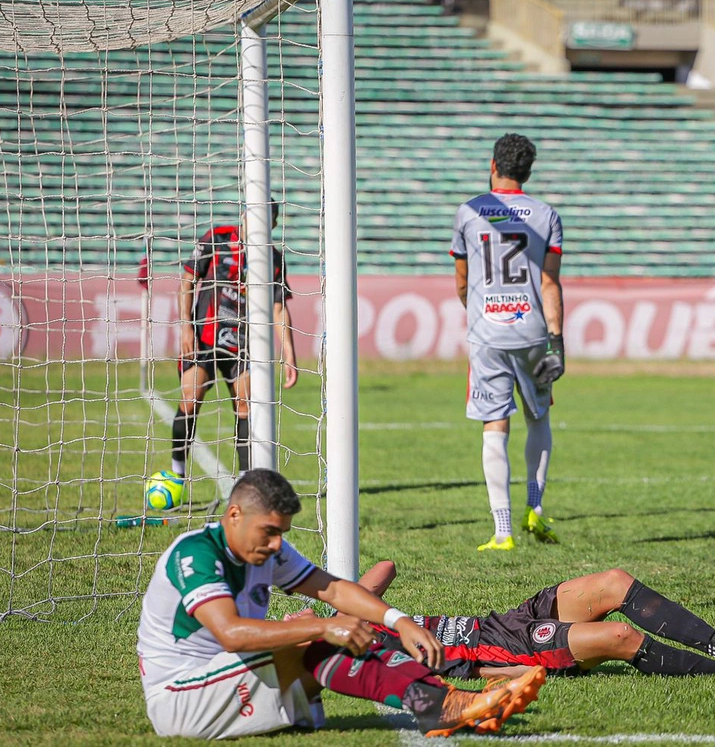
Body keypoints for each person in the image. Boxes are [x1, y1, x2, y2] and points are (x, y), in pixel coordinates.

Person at [136, 469, 545, 739]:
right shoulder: (196, 554)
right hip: (181, 696)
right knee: (316, 637)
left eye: (282, 533)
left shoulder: (265, 549)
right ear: (234, 514)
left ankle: (449, 701)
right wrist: (320, 627)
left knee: (344, 633)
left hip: (229, 680)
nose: (277, 544)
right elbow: (231, 633)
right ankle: (446, 705)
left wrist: (399, 620)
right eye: (269, 531)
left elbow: (331, 589)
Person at [318, 561, 715, 680]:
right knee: (621, 636)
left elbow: (385, 568)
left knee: (615, 582)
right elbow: (473, 672)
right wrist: (521, 672)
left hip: (505, 620)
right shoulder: (378, 656)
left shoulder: (359, 622)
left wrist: (340, 612)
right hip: (512, 648)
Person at [450, 134, 565, 551]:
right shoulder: (546, 214)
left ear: (492, 164)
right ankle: (535, 508)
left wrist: (476, 307)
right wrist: (556, 340)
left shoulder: (470, 211)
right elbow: (550, 280)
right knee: (539, 419)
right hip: (534, 331)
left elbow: (462, 280)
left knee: (494, 425)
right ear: (528, 172)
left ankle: (503, 531)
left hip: (488, 334)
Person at [172, 200, 299, 479]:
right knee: (191, 397)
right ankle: (176, 473)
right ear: (243, 216)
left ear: (273, 226)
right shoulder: (216, 239)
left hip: (242, 344)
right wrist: (185, 326)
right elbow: (187, 281)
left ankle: (245, 481)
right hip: (203, 336)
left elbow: (279, 307)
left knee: (245, 405)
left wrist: (289, 353)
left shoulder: (273, 259)